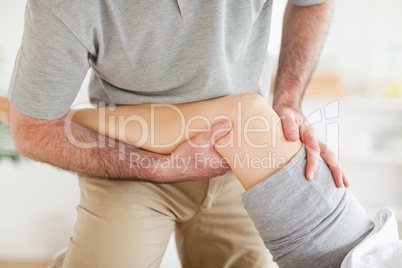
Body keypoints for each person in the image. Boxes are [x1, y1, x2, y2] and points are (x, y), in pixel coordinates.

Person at [5, 0, 348, 267]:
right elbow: (32, 130)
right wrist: (155, 168)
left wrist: (289, 99)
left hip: (241, 159)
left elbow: (312, 4)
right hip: (127, 160)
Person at [1, 94, 401, 268]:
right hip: (367, 253)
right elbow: (242, 119)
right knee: (245, 121)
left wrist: (46, 123)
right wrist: (38, 124)